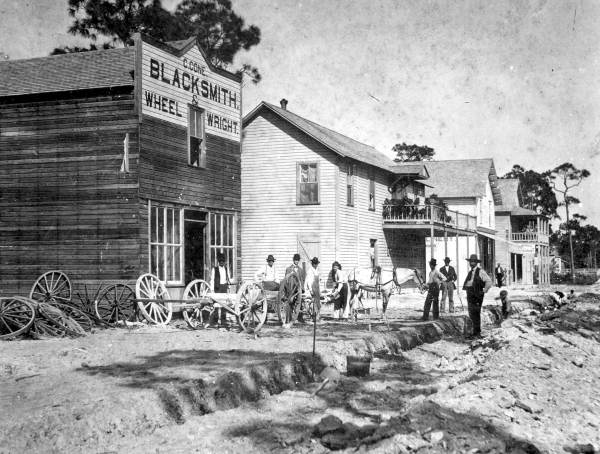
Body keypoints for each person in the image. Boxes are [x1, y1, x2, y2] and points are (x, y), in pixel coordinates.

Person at [463, 254, 493, 339]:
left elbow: (489, 281)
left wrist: (484, 290)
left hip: (477, 295)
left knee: (476, 313)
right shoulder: (470, 272)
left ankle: (477, 333)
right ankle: (474, 332)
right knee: (471, 313)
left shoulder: (481, 271)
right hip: (470, 295)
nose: (471, 263)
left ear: (476, 263)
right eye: (470, 262)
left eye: (473, 262)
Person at [209, 253, 231, 326]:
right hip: (217, 288)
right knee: (216, 305)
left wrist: (229, 288)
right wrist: (212, 289)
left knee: (224, 305)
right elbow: (212, 280)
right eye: (220, 261)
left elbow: (228, 278)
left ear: (224, 262)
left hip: (224, 287)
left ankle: (223, 321)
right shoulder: (214, 269)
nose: (221, 262)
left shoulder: (226, 269)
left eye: (223, 261)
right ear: (218, 262)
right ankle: (215, 321)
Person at [304, 257, 321, 321]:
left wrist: (319, 290)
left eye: (316, 264)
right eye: (314, 264)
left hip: (316, 288)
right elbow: (309, 282)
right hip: (311, 288)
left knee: (317, 303)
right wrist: (311, 290)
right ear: (312, 264)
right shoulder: (310, 271)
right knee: (312, 303)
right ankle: (313, 316)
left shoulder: (317, 270)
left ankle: (317, 316)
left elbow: (318, 281)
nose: (316, 265)